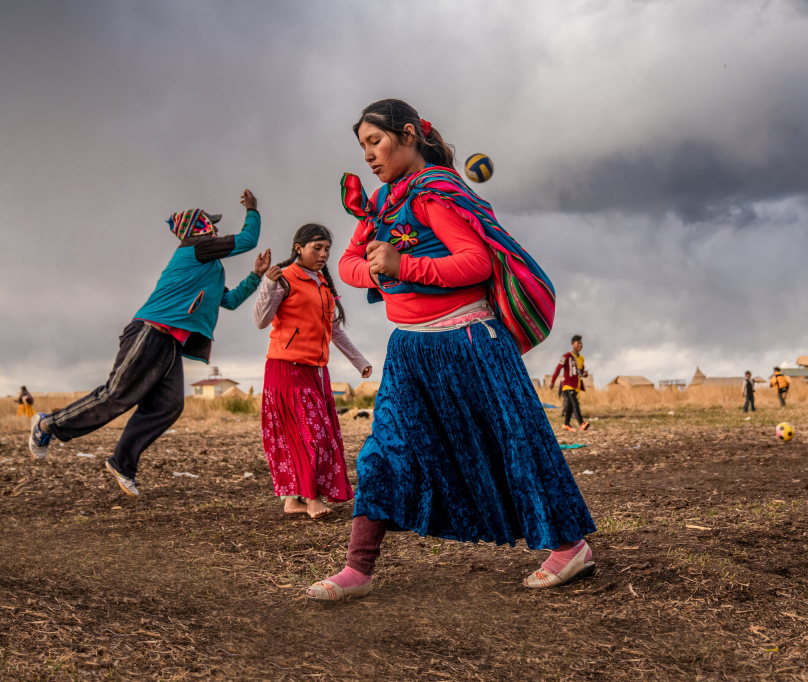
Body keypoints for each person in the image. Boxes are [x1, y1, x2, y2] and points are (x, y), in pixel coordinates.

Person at [305, 99, 596, 602]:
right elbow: (350, 264)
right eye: (363, 146)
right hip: (409, 350)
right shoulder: (380, 203)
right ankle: (358, 568)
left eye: (376, 141)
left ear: (409, 135)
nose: (368, 155)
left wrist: (403, 266)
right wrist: (378, 269)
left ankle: (571, 548)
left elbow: (475, 262)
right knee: (384, 450)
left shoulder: (434, 192)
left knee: (511, 443)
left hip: (469, 342)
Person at [28, 191, 267, 497]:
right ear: (199, 228)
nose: (216, 228)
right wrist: (252, 210)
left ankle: (122, 464)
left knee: (168, 406)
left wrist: (256, 275)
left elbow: (230, 301)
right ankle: (46, 425)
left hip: (171, 344)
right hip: (149, 332)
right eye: (211, 223)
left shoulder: (209, 267)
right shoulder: (195, 248)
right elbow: (247, 240)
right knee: (116, 396)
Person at [253, 223, 372, 520]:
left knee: (316, 435)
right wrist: (267, 284)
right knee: (309, 435)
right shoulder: (284, 279)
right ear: (299, 248)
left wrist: (359, 361)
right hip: (286, 368)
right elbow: (260, 320)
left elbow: (335, 331)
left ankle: (292, 500)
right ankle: (311, 498)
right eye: (316, 248)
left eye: (327, 249)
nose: (323, 254)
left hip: (316, 371)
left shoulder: (323, 284)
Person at [550, 334, 589, 431]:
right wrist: (552, 381)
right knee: (575, 403)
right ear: (572, 344)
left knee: (570, 406)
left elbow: (581, 371)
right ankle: (582, 423)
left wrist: (584, 374)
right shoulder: (567, 356)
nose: (580, 345)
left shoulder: (581, 358)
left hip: (576, 385)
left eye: (581, 343)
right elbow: (558, 368)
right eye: (578, 343)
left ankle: (566, 424)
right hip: (567, 384)